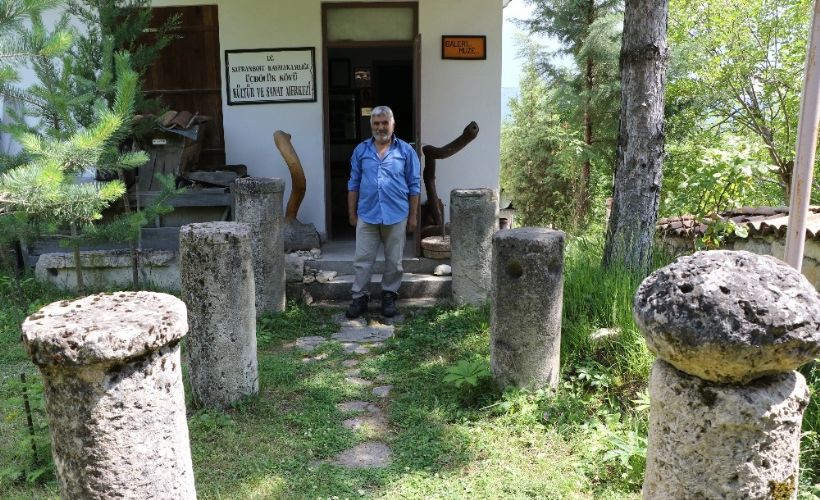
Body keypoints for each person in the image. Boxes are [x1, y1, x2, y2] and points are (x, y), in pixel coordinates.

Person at [346, 105, 420, 318]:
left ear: (393, 124)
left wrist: (413, 216)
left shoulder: (406, 151)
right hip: (367, 214)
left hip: (396, 214)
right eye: (376, 123)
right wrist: (352, 213)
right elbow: (353, 183)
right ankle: (359, 298)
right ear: (371, 125)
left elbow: (414, 185)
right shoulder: (361, 150)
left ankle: (389, 295)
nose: (381, 127)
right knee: (362, 260)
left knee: (394, 261)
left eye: (385, 122)